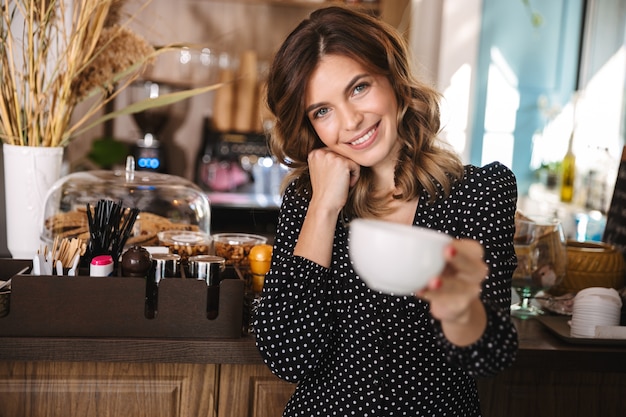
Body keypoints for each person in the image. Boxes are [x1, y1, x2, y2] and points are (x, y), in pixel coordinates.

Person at [254, 6, 518, 416]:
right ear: (311, 128)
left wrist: (459, 306)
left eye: (358, 88)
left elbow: (489, 358)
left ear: (394, 80)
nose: (351, 120)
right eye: (322, 111)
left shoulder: (477, 193)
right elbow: (289, 358)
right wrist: (324, 205)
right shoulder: (309, 201)